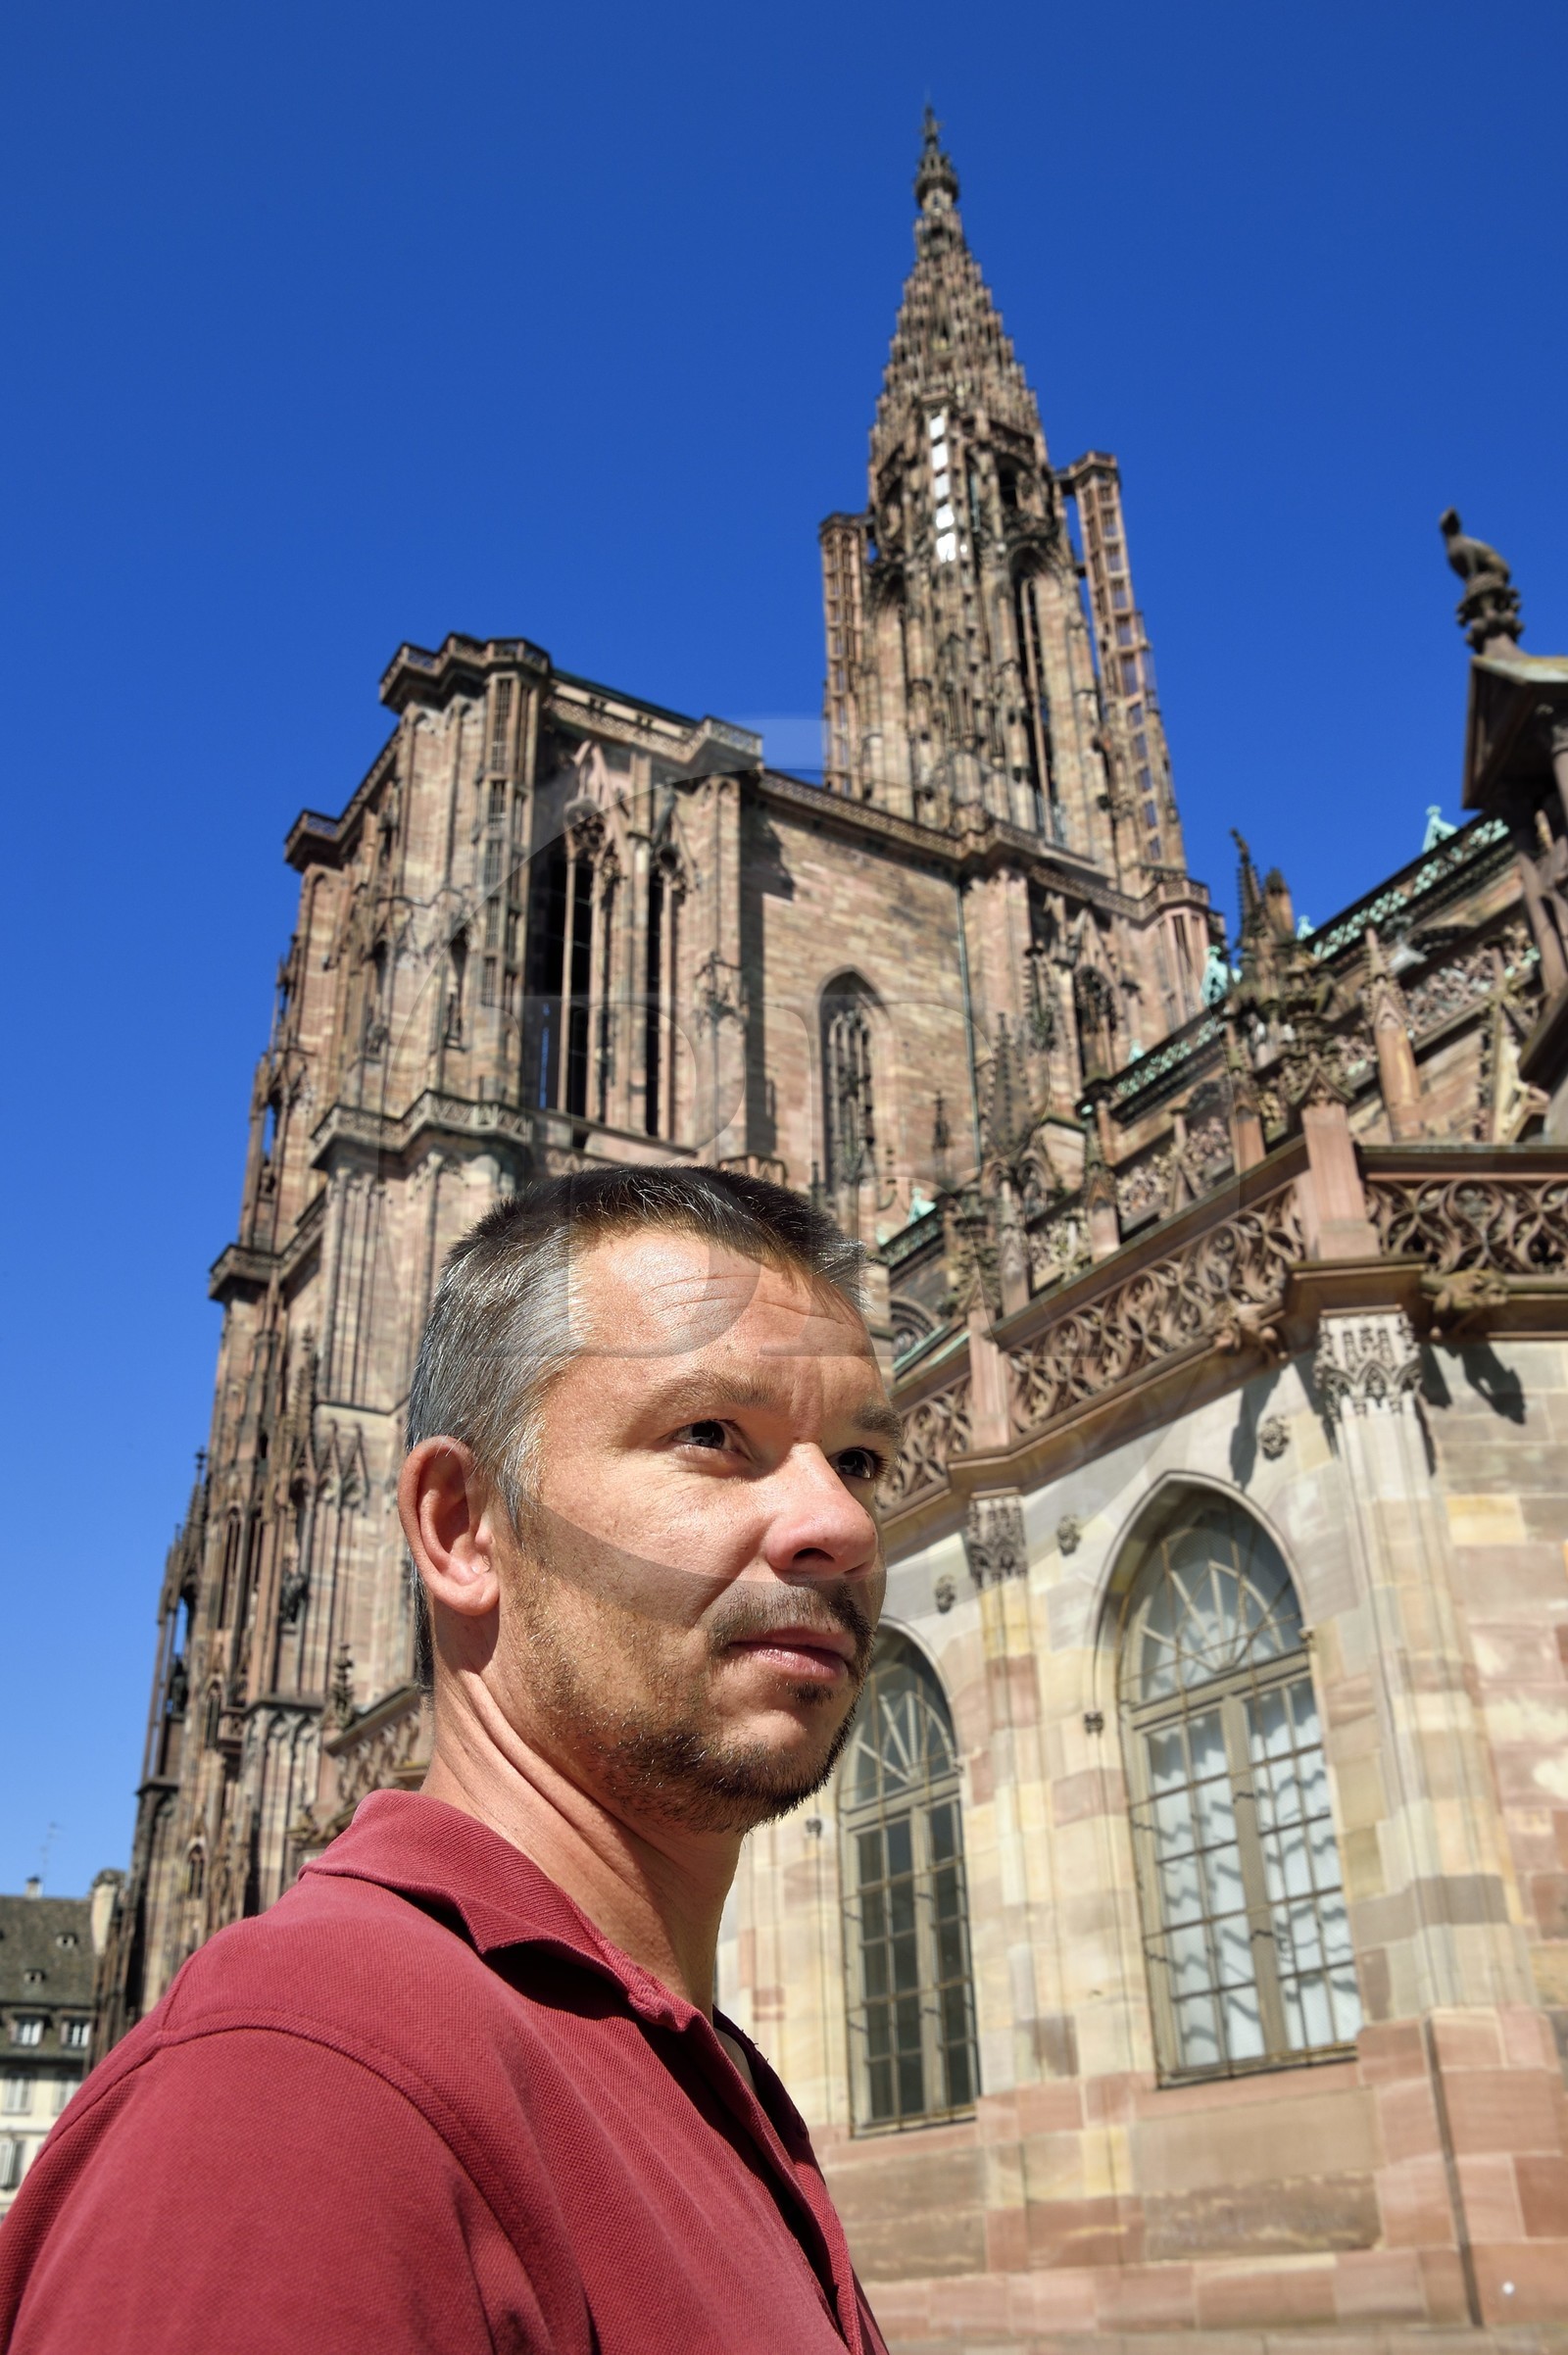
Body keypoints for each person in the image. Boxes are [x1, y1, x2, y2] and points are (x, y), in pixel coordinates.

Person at [0, 1168, 899, 2353]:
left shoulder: (676, 2063)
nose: (836, 1520)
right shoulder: (305, 2087)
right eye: (710, 1436)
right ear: (462, 1528)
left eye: (861, 1460)